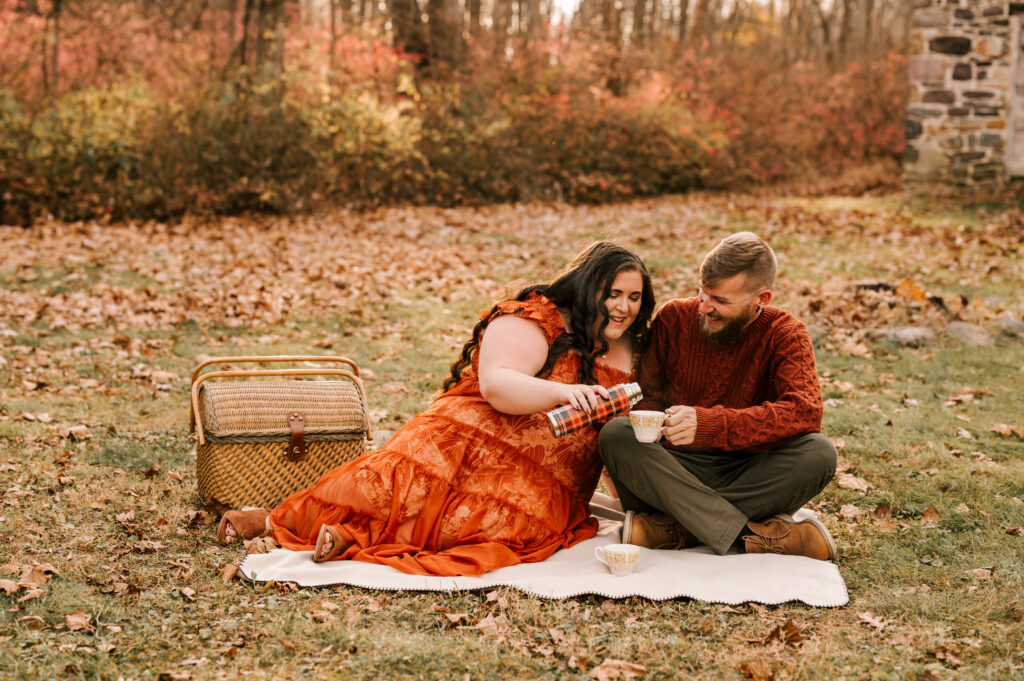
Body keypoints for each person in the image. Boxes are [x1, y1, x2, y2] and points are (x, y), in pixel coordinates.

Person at [218, 241, 656, 577]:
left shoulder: (635, 347)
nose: (623, 307)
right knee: (391, 490)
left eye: (634, 297)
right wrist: (562, 394)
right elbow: (498, 384)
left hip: (545, 478)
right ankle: (277, 523)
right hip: (473, 435)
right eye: (612, 293)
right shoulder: (539, 317)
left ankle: (349, 541)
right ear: (587, 286)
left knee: (487, 529)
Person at [598, 232, 838, 561]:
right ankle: (751, 537)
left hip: (748, 471)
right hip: (673, 470)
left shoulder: (785, 333)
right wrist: (657, 425)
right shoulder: (674, 319)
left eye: (721, 301)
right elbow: (648, 399)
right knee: (616, 434)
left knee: (819, 454)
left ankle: (674, 529)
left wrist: (711, 425)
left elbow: (803, 413)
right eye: (703, 292)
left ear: (761, 299)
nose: (705, 306)